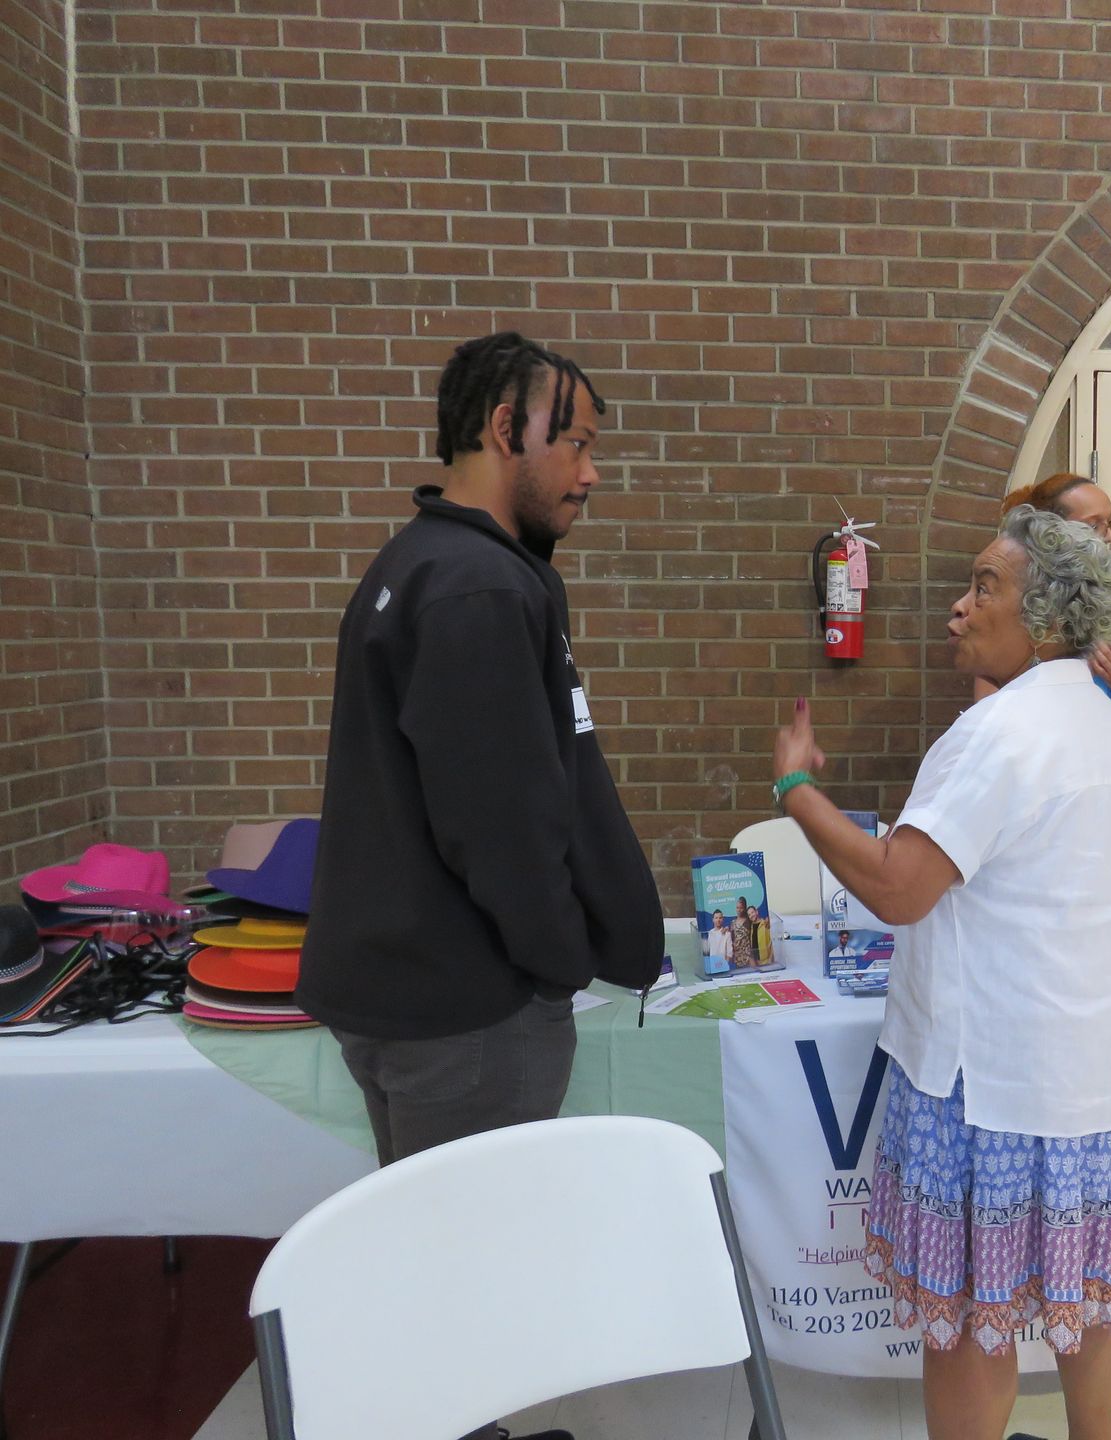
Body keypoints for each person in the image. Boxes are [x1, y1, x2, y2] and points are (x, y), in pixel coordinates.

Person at [299, 332, 664, 1440]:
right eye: (580, 444)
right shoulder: (473, 588)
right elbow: (500, 826)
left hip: (415, 999)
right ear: (510, 431)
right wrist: (555, 961)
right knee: (472, 1271)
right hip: (466, 1013)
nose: (592, 473)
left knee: (442, 1260)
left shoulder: (419, 563)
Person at [772, 505, 1111, 1440]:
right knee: (1086, 1300)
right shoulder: (1106, 720)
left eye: (984, 585)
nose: (959, 604)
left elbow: (898, 889)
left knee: (963, 1323)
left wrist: (796, 791)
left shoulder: (1004, 733)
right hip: (1100, 1087)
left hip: (991, 1088)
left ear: (1050, 619)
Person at [975, 472, 1111, 713]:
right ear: (1050, 531)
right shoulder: (1010, 609)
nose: (1110, 536)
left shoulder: (1103, 607)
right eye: (1094, 525)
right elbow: (987, 716)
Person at [705, 908, 734, 977]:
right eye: (716, 918)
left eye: (720, 918)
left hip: (723, 967)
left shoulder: (727, 933)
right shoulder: (710, 933)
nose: (718, 920)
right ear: (713, 919)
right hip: (713, 967)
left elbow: (729, 952)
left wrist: (724, 965)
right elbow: (708, 950)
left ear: (723, 919)